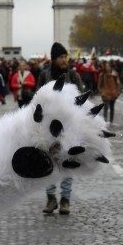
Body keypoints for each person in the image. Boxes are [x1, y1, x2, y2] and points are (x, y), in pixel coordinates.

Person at [38, 42, 84, 215]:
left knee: (67, 163)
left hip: (69, 127)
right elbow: (38, 101)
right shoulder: (44, 75)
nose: (64, 60)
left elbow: (82, 100)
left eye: (65, 57)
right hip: (48, 128)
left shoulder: (73, 75)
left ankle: (65, 200)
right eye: (61, 57)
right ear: (54, 59)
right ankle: (50, 199)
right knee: (48, 164)